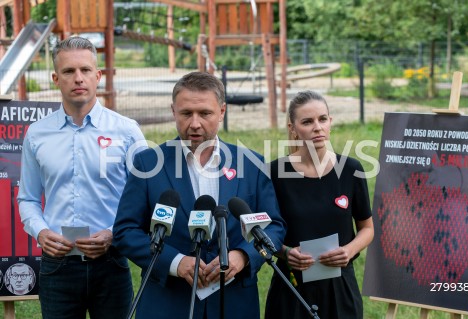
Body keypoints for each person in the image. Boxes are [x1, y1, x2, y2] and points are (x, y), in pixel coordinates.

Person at [112, 71, 286, 319]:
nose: (194, 123)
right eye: (186, 114)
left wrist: (243, 256)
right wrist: (175, 262)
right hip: (168, 303)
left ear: (222, 111)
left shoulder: (252, 164)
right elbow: (125, 231)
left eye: (205, 113)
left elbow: (274, 226)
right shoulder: (147, 163)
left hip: (234, 303)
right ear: (174, 111)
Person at [17, 36, 147, 319]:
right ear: (55, 78)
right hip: (57, 265)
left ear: (98, 75)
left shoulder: (127, 132)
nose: (78, 78)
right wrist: (41, 232)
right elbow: (27, 198)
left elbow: (144, 198)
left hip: (111, 261)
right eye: (68, 71)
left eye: (85, 70)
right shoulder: (37, 134)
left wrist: (114, 234)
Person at [265, 90, 374, 319]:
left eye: (322, 119)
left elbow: (367, 228)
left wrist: (349, 250)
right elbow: (262, 232)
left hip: (340, 287)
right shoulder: (274, 173)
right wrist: (285, 253)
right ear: (293, 128)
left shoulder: (351, 170)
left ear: (330, 122)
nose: (317, 127)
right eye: (307, 122)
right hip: (291, 286)